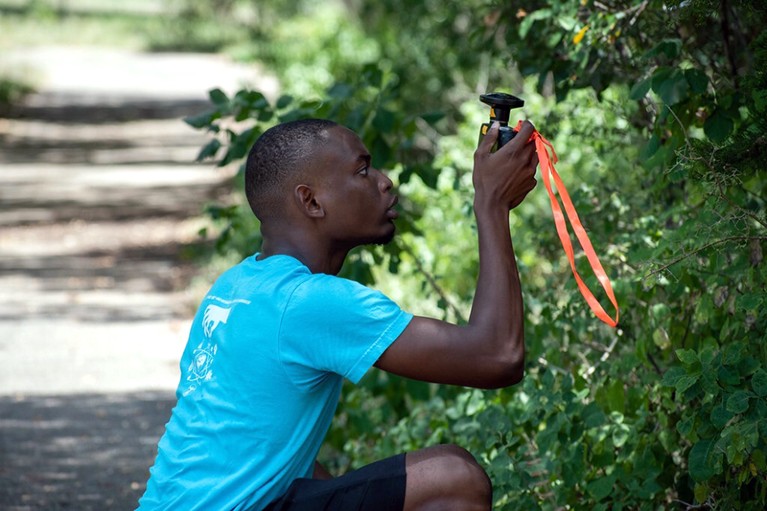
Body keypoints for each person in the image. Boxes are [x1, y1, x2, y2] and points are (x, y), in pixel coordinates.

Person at [137, 117, 539, 511]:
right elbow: (497, 357)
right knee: (453, 478)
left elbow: (280, 459)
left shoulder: (235, 285)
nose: (384, 180)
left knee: (324, 478)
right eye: (362, 170)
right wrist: (491, 203)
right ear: (311, 201)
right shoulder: (308, 300)